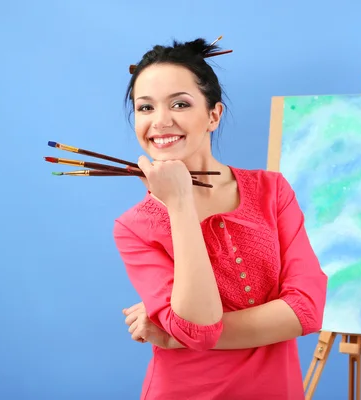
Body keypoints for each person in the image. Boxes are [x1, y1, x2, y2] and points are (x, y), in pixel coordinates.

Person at [112, 36, 328, 400]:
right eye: (145, 108)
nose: (160, 121)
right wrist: (180, 202)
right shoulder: (135, 228)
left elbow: (306, 309)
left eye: (179, 104)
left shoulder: (271, 191)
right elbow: (199, 328)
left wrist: (175, 336)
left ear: (213, 115)